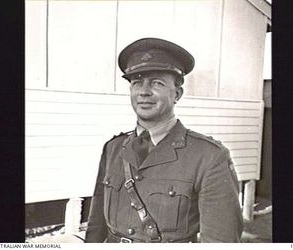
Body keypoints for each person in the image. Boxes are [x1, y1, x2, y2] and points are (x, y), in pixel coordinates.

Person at [85, 37, 243, 243]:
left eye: (157, 83)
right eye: (136, 83)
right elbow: (96, 226)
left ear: (177, 94)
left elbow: (221, 242)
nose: (144, 92)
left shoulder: (209, 157)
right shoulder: (113, 148)